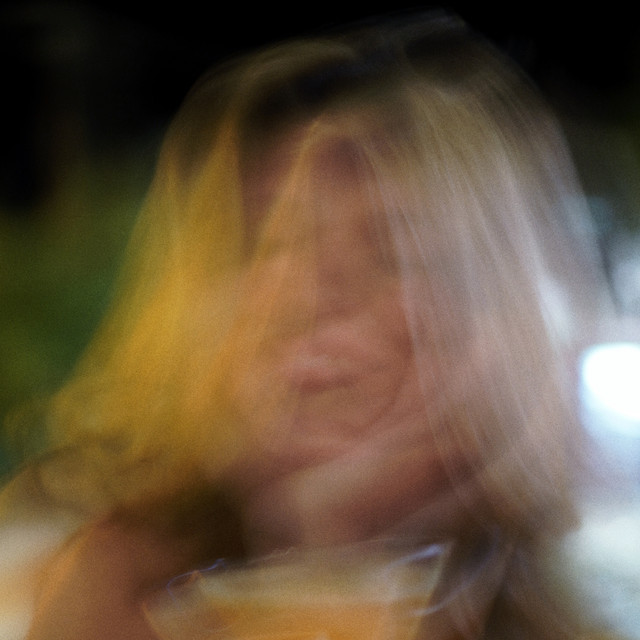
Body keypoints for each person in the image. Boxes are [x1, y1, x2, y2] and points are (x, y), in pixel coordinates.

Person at [0, 10, 623, 640]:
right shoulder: (117, 591)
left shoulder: (557, 617)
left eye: (393, 247)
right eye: (270, 243)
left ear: (493, 316)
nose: (304, 293)